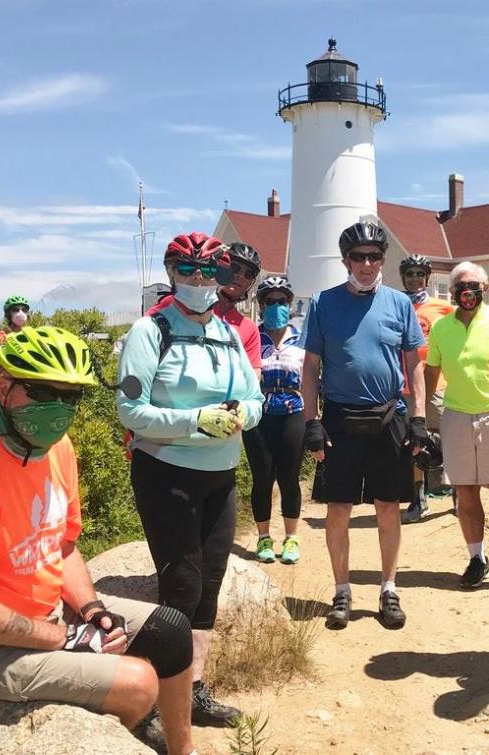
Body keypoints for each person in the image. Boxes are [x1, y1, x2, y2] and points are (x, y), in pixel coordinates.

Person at [0, 326, 200, 755]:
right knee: (138, 682)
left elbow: (60, 545)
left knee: (171, 630)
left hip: (44, 615)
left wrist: (91, 610)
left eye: (71, 397)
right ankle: (127, 728)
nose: (58, 409)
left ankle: (182, 750)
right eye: (45, 392)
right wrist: (64, 639)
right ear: (5, 387)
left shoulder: (57, 448)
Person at [117, 232, 265, 727]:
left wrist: (242, 414)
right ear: (171, 274)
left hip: (220, 473)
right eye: (187, 271)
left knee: (209, 586)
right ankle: (158, 699)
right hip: (166, 471)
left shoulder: (227, 332)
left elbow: (255, 398)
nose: (199, 281)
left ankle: (191, 691)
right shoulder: (150, 330)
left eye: (209, 272)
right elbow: (130, 410)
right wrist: (195, 421)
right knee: (180, 585)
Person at [301, 221, 427, 631]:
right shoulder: (323, 303)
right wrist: (312, 422)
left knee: (387, 507)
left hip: (389, 415)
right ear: (345, 261)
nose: (368, 263)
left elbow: (415, 364)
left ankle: (389, 589)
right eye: (359, 257)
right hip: (340, 418)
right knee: (338, 509)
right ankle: (342, 590)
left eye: (375, 256)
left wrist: (419, 418)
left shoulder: (399, 304)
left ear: (383, 260)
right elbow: (310, 368)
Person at [425, 261, 489, 594]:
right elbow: (431, 372)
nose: (467, 291)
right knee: (465, 493)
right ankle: (477, 559)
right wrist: (427, 415)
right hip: (456, 416)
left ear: (486, 287)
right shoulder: (441, 328)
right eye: (461, 286)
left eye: (475, 285)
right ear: (452, 290)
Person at [245, 275, 306, 565]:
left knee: (290, 479)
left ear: (290, 305)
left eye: (282, 301)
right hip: (261, 416)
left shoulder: (303, 339)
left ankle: (291, 538)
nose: (276, 306)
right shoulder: (253, 339)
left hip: (294, 413)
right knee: (262, 480)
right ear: (261, 305)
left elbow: (315, 379)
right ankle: (263, 537)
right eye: (270, 301)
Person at [398, 254, 454, 523]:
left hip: (438, 383)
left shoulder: (442, 308)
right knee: (413, 443)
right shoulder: (396, 305)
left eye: (420, 274)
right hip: (405, 386)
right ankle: (418, 500)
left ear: (428, 277)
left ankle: (456, 494)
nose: (415, 279)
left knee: (449, 438)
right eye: (410, 274)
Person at [214, 243, 263, 377]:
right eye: (235, 268)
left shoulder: (249, 328)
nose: (241, 276)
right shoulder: (192, 310)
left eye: (248, 274)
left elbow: (254, 377)